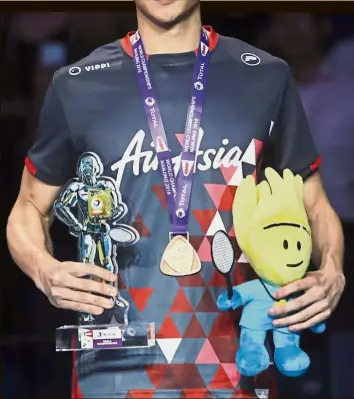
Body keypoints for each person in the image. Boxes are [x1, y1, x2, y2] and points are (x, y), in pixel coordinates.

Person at [6, 2, 345, 398]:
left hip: (235, 365)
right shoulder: (77, 85)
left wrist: (333, 269)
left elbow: (316, 203)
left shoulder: (264, 76)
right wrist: (45, 269)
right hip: (115, 369)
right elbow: (29, 206)